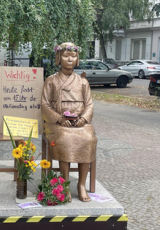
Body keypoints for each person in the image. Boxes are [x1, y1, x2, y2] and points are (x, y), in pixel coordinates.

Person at [41, 42, 97, 202]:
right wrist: (58, 118)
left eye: (73, 56)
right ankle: (65, 183)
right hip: (58, 123)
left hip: (80, 122)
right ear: (59, 58)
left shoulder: (83, 82)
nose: (70, 59)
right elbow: (44, 104)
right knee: (65, 140)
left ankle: (81, 184)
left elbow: (89, 104)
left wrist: (84, 119)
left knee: (88, 139)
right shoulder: (51, 80)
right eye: (66, 56)